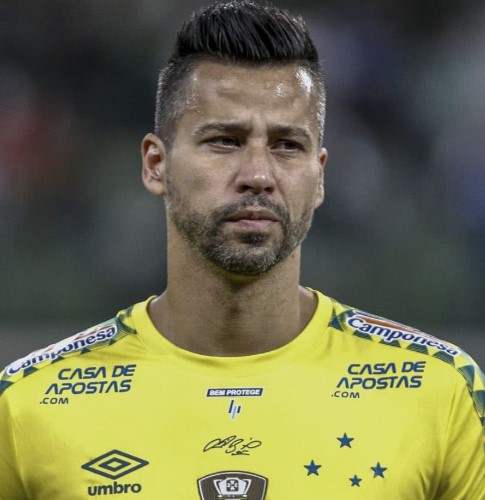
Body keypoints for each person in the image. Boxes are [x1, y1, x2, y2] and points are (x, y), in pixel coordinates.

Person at [0, 1, 484, 498]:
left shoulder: (437, 393)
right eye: (225, 141)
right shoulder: (28, 407)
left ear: (320, 176)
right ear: (155, 165)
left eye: (287, 145)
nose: (258, 175)